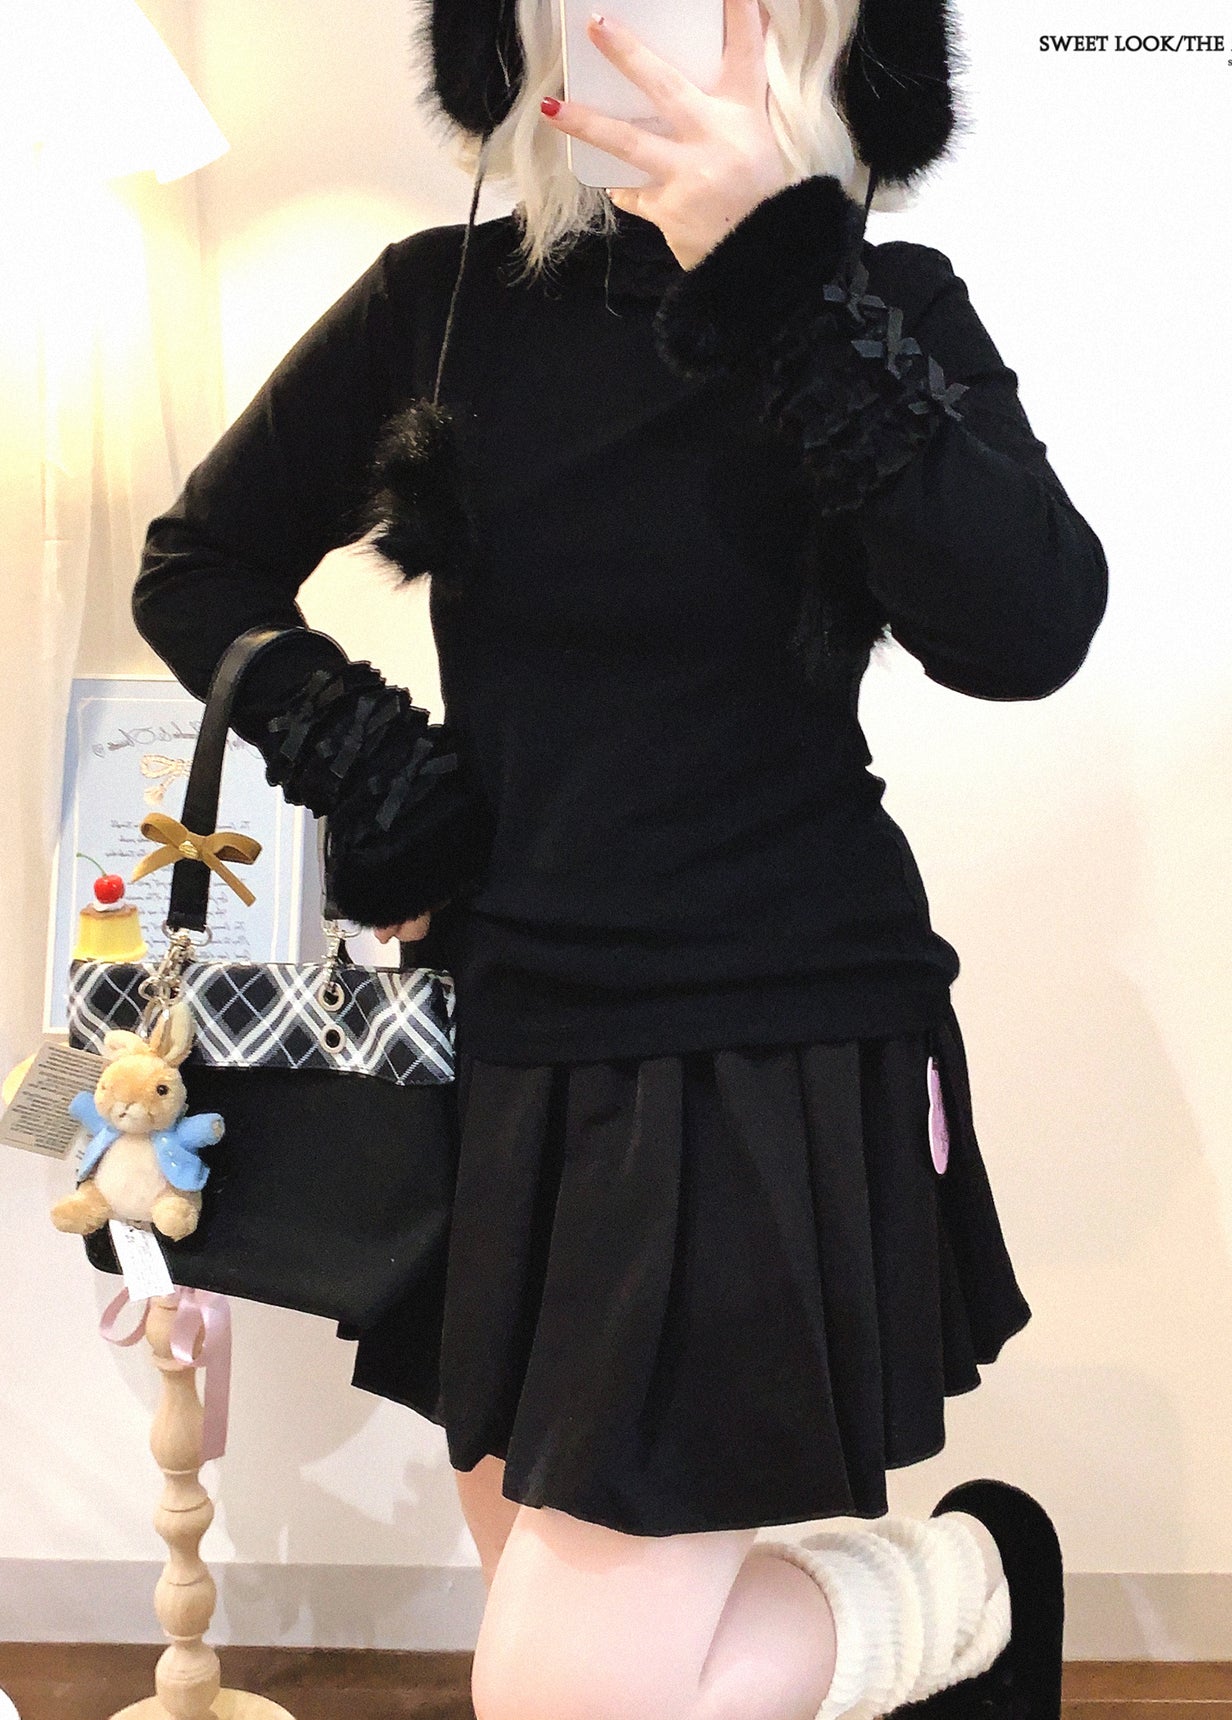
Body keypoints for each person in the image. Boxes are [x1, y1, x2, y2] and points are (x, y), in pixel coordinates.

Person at [129, 0, 1107, 1714]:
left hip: (767, 1041)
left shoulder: (876, 305)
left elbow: (1026, 629)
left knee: (565, 1691)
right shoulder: (441, 302)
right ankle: (964, 1600)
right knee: (577, 1629)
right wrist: (371, 761)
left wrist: (779, 274)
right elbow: (197, 564)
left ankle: (971, 1592)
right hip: (507, 1043)